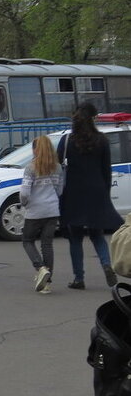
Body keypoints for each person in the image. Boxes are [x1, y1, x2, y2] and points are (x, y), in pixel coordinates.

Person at [59, 103, 122, 289]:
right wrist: (105, 194)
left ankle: (79, 278)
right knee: (97, 235)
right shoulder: (102, 140)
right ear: (94, 118)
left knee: (75, 237)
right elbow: (106, 170)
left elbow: (57, 166)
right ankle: (106, 265)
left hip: (74, 193)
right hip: (97, 191)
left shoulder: (67, 140)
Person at [19, 136, 64, 294]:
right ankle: (47, 283)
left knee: (27, 240)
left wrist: (24, 203)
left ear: (34, 149)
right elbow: (59, 191)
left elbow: (25, 192)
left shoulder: (31, 168)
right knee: (47, 245)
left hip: (35, 211)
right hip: (52, 211)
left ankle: (40, 268)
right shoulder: (57, 167)